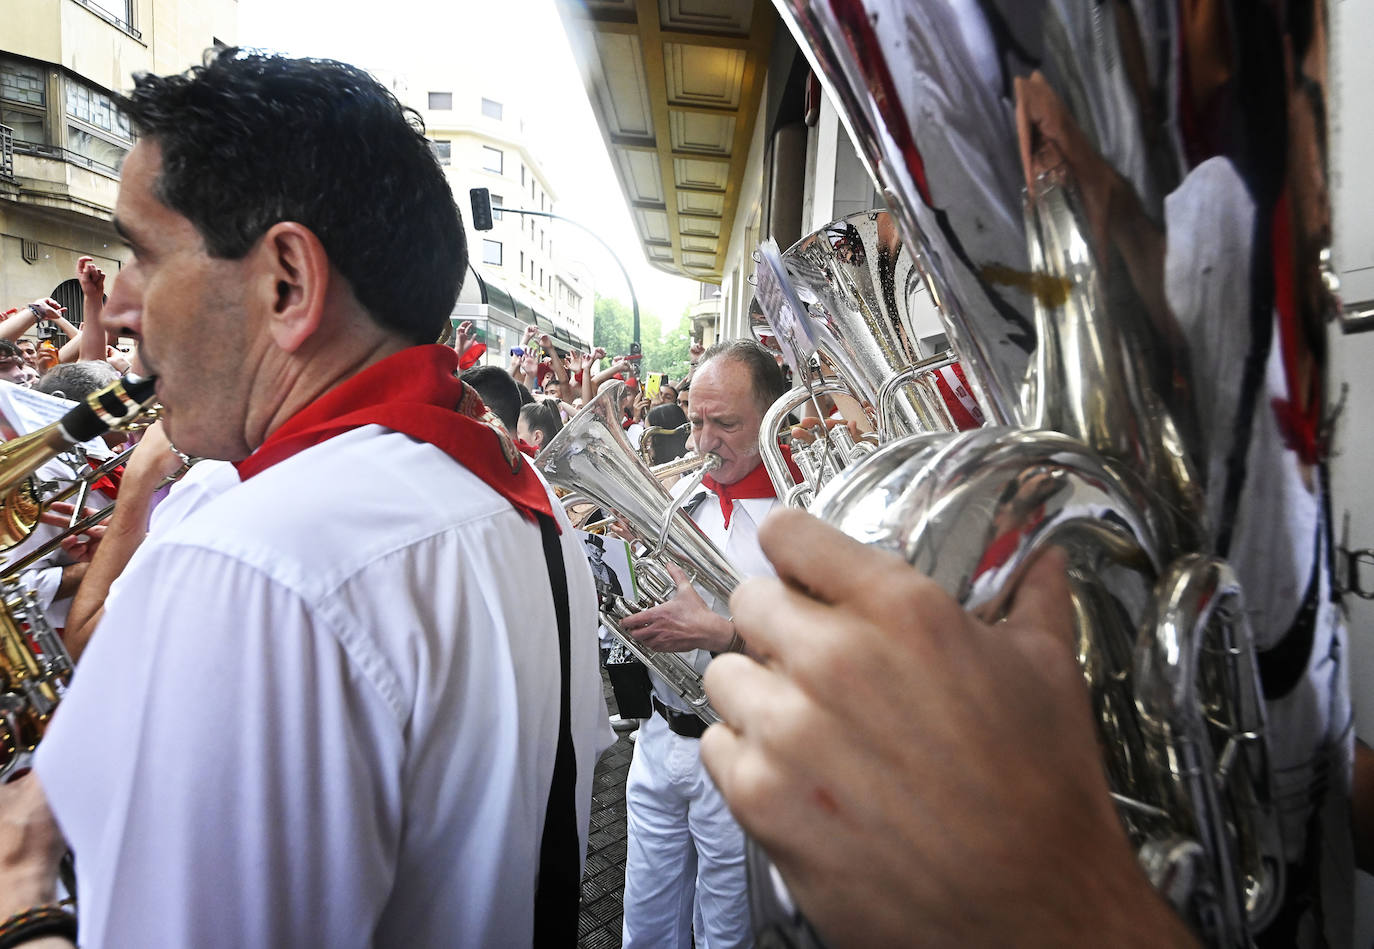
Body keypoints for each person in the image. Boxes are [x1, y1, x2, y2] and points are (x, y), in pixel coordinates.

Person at [0, 48, 609, 948]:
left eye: (140, 253)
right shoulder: (532, 512)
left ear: (287, 282)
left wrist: (23, 898)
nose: (119, 306)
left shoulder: (246, 564)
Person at [616, 339, 790, 948]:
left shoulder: (800, 516)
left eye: (725, 424)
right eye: (695, 421)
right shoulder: (680, 499)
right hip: (659, 735)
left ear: (773, 419)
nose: (701, 442)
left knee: (727, 932)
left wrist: (723, 634)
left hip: (742, 754)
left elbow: (822, 656)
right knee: (645, 920)